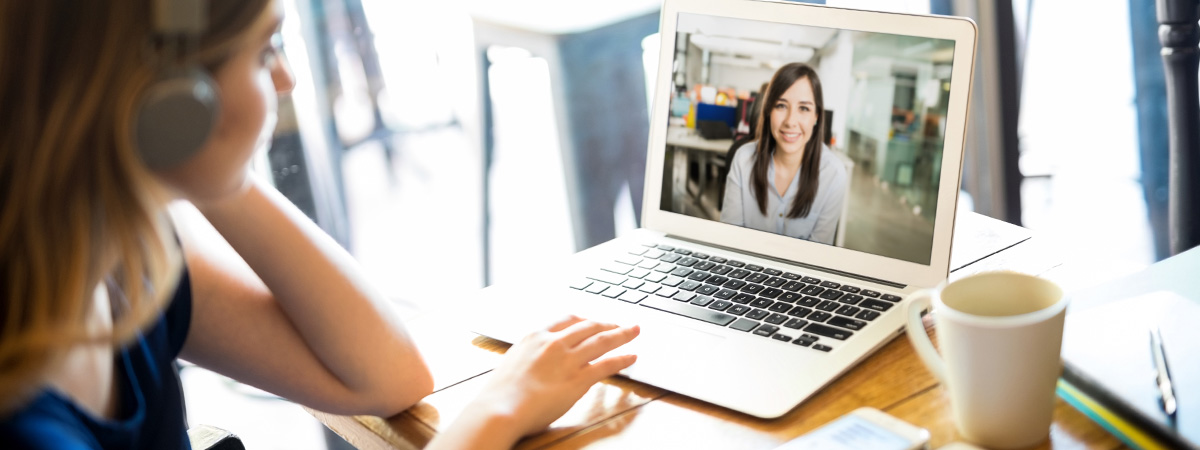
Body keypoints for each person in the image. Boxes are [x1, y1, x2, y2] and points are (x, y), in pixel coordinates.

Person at [0, 1, 639, 449]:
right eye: (263, 51)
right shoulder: (27, 423)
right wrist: (498, 410)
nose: (286, 77)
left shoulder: (127, 259)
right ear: (172, 102)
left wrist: (203, 160)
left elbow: (384, 374)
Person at [719, 63, 847, 245]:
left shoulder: (833, 175)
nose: (790, 121)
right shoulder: (743, 160)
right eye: (781, 105)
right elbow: (729, 239)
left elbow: (818, 256)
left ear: (816, 115)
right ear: (769, 110)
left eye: (804, 108)